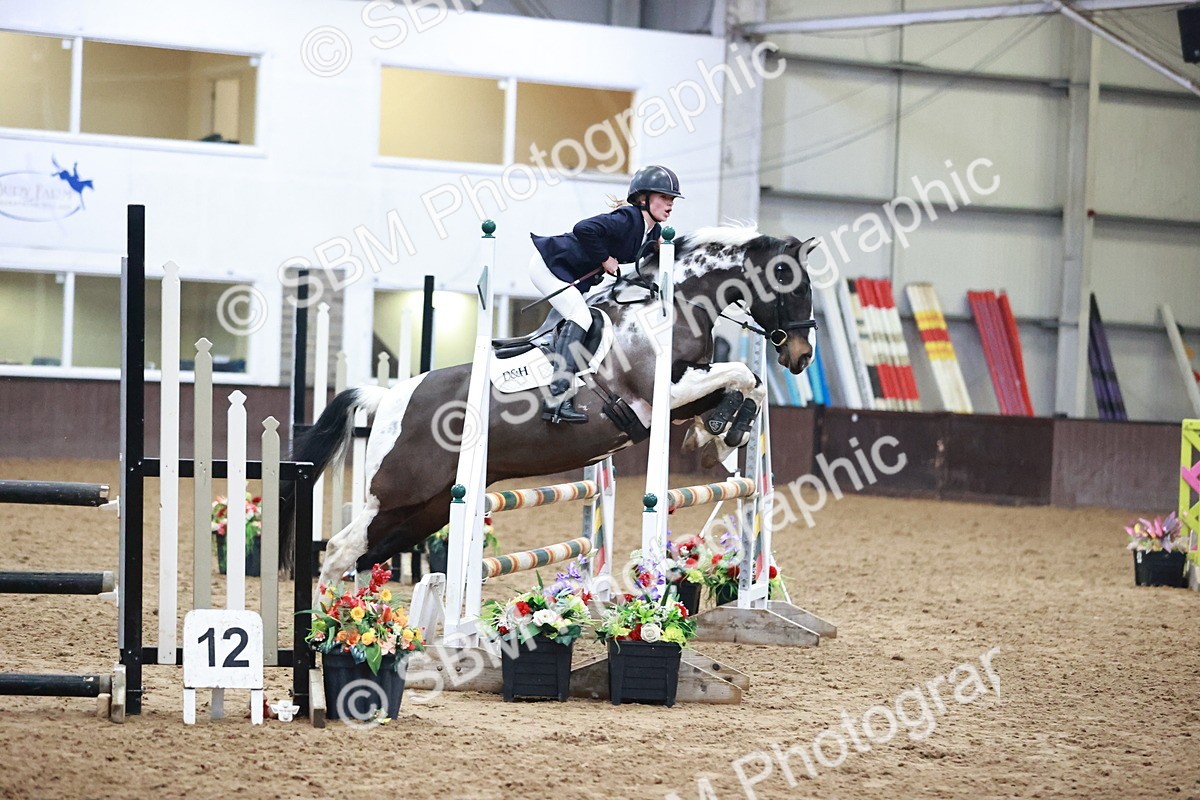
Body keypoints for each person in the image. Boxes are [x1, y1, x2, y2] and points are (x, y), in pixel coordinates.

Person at [529, 164, 683, 424]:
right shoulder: (627, 218)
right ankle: (556, 399)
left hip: (567, 274)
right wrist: (606, 258)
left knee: (581, 316)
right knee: (581, 317)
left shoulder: (652, 231)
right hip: (549, 265)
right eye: (664, 198)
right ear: (643, 199)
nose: (670, 205)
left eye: (672, 199)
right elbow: (583, 228)